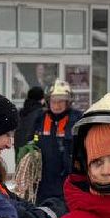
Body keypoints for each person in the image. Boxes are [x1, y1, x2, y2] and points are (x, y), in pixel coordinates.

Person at [13, 79, 79, 210]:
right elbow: (23, 139)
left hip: (68, 184)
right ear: (48, 101)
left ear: (68, 102)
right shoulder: (38, 118)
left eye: (61, 101)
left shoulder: (77, 120)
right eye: (54, 101)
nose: (57, 105)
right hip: (42, 184)